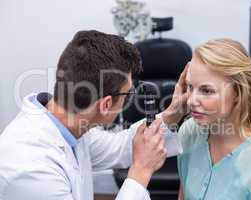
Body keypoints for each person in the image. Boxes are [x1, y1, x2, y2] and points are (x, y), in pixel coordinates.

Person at [0, 30, 188, 200]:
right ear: (106, 105)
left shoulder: (71, 125)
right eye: (128, 93)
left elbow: (121, 147)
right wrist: (141, 171)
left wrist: (173, 114)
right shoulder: (30, 169)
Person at [177, 39, 251, 200]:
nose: (191, 101)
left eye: (206, 90)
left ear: (238, 93)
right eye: (191, 87)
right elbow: (183, 195)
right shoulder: (189, 132)